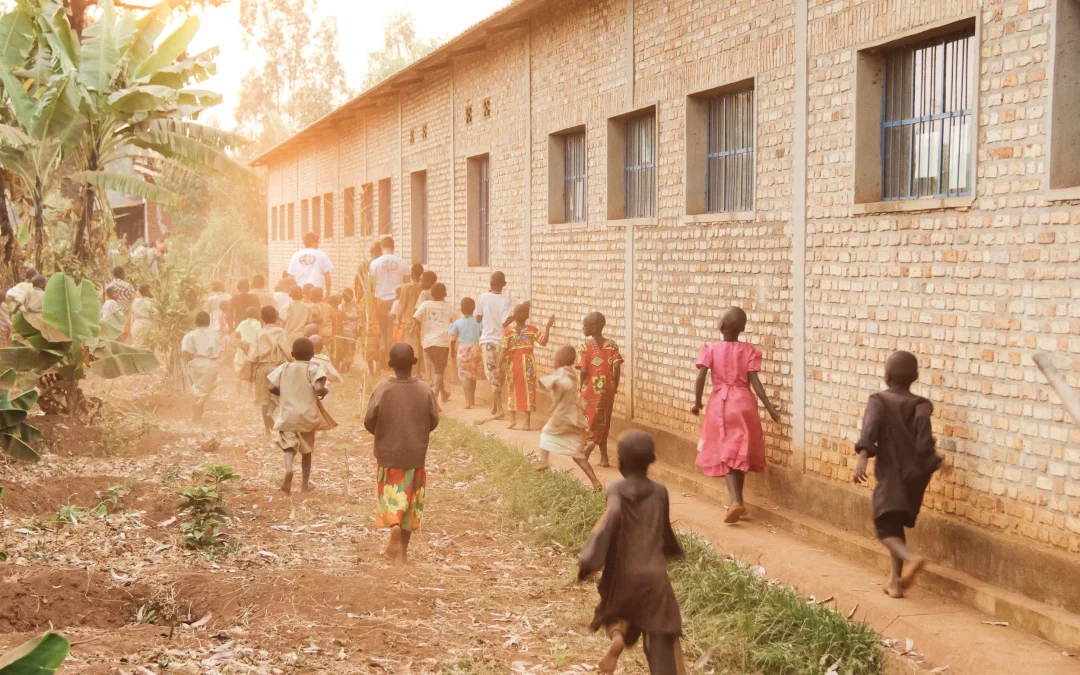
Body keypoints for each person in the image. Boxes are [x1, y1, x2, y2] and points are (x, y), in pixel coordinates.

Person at [578, 431, 686, 675]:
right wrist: (672, 551)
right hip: (655, 576)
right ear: (651, 460)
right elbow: (665, 530)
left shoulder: (616, 488)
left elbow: (611, 518)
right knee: (661, 628)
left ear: (621, 461)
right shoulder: (660, 491)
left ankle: (618, 636)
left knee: (615, 610)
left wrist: (590, 557)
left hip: (624, 574)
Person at [854, 350, 942, 599]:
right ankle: (895, 582)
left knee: (884, 528)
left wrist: (862, 456)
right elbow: (925, 442)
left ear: (886, 376)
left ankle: (912, 559)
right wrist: (934, 462)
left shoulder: (879, 401)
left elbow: (870, 428)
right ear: (915, 376)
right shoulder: (921, 405)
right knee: (895, 527)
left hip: (891, 476)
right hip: (914, 478)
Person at [690, 307, 781, 524]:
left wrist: (697, 403)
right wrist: (769, 407)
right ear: (743, 328)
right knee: (739, 453)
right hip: (745, 403)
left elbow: (701, 378)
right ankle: (738, 500)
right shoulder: (749, 350)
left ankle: (735, 501)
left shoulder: (710, 349)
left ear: (720, 325)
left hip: (721, 405)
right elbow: (755, 382)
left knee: (726, 453)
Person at [363, 342, 440, 565]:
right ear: (414, 363)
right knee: (410, 504)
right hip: (415, 456)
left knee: (391, 497)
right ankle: (402, 554)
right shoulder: (425, 390)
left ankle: (393, 526)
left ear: (390, 364)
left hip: (388, 456)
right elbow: (434, 420)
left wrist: (383, 434)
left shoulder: (382, 389)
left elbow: (369, 420)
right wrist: (417, 432)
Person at [268, 337, 336, 494]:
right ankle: (305, 485)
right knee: (307, 452)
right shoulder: (313, 369)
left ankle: (289, 469)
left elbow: (271, 386)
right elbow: (318, 388)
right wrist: (324, 391)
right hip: (307, 417)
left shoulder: (284, 367)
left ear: (292, 354)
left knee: (289, 448)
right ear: (312, 354)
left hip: (288, 416)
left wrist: (283, 393)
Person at [537, 345, 603, 490]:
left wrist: (545, 382)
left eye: (555, 359)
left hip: (563, 417)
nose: (553, 362)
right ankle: (596, 482)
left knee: (546, 433)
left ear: (560, 361)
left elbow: (562, 383)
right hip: (576, 419)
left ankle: (544, 461)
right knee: (577, 455)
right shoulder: (571, 373)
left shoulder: (562, 373)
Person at [578, 312, 624, 468]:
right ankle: (604, 458)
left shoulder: (585, 346)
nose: (583, 328)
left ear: (594, 327)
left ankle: (589, 446)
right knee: (603, 420)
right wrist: (615, 385)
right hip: (607, 388)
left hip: (591, 387)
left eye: (585, 325)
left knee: (588, 418)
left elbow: (583, 370)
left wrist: (581, 386)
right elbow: (617, 366)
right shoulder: (612, 345)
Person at [501, 303, 555, 430]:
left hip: (512, 366)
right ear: (527, 316)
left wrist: (499, 366)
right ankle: (527, 423)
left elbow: (503, 352)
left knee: (512, 391)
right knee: (529, 391)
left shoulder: (508, 332)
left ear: (514, 317)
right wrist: (548, 326)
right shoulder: (532, 330)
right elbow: (544, 341)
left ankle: (512, 420)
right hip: (528, 366)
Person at [247, 306, 292, 435]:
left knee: (264, 400)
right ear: (277, 317)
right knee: (278, 395)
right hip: (277, 367)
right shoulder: (280, 332)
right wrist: (291, 361)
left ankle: (267, 430)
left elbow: (252, 355)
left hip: (261, 368)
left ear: (262, 318)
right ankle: (271, 414)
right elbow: (286, 350)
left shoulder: (258, 333)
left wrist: (251, 374)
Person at [475, 271, 513, 419]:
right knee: (500, 374)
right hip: (502, 342)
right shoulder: (506, 299)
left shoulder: (483, 297)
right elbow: (505, 322)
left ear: (490, 283)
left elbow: (478, 319)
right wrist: (515, 315)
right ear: (504, 284)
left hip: (488, 341)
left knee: (492, 374)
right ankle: (495, 406)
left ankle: (500, 410)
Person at [412, 282, 453, 405]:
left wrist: (421, 328)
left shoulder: (425, 304)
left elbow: (415, 317)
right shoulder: (448, 307)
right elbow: (456, 320)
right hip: (441, 342)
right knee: (439, 370)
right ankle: (434, 398)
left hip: (427, 342)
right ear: (445, 294)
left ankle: (443, 393)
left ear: (432, 294)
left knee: (437, 368)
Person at [369, 236, 408, 357]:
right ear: (393, 247)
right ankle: (391, 355)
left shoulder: (374, 263)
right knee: (392, 329)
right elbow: (407, 284)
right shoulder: (403, 263)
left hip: (379, 300)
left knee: (381, 328)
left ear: (382, 247)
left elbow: (371, 285)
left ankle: (382, 353)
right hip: (396, 301)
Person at [181, 311, 224, 421]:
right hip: (210, 361)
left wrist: (192, 361)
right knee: (209, 388)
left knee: (198, 388)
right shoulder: (214, 333)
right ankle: (198, 405)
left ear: (196, 321)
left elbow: (185, 351)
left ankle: (198, 415)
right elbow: (220, 350)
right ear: (208, 321)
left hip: (196, 362)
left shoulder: (190, 335)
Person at [448, 297, 483, 409]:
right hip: (475, 349)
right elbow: (482, 335)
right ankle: (472, 399)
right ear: (474, 309)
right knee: (473, 374)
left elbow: (453, 339)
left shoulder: (457, 323)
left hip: (462, 350)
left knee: (464, 376)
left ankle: (467, 401)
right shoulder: (479, 322)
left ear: (461, 309)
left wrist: (452, 352)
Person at [396, 263, 426, 378]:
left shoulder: (407, 287)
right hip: (422, 322)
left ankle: (415, 372)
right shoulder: (424, 288)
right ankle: (418, 371)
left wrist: (398, 319)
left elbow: (402, 304)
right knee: (420, 346)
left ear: (412, 274)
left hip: (409, 321)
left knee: (412, 347)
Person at [233, 306, 262, 393]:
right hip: (253, 348)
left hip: (243, 346)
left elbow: (236, 334)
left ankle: (238, 385)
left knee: (240, 366)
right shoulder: (258, 323)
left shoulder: (242, 323)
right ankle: (249, 389)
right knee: (251, 368)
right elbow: (259, 335)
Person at [337, 288, 362, 374]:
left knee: (346, 350)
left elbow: (360, 319)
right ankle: (345, 365)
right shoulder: (342, 307)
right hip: (347, 332)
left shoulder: (341, 307)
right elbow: (360, 318)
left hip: (347, 332)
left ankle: (345, 365)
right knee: (348, 350)